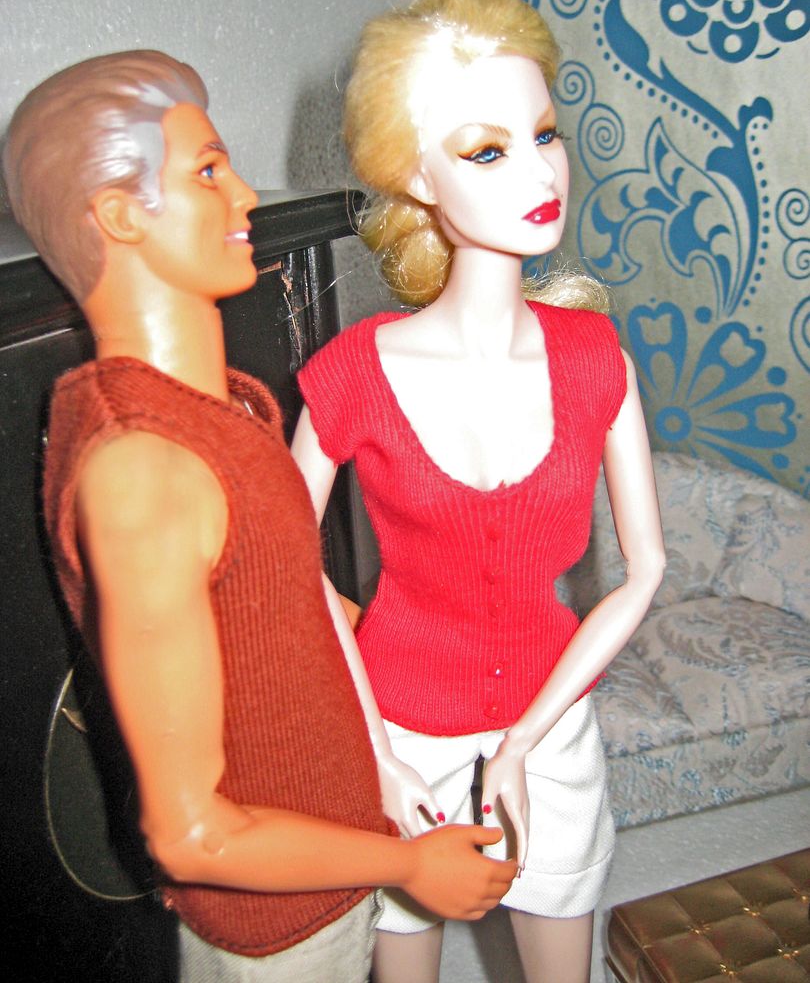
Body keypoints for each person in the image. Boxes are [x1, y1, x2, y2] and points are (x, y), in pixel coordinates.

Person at [2, 49, 516, 983]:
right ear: (119, 216)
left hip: (337, 844)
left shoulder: (226, 408)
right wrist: (408, 867)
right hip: (280, 927)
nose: (245, 196)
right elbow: (191, 832)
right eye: (207, 172)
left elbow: (277, 594)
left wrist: (412, 640)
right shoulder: (144, 471)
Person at [291, 0, 666, 983]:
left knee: (564, 953)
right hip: (400, 733)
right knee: (402, 956)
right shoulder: (353, 373)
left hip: (551, 724)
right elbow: (284, 566)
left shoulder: (596, 359)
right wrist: (376, 757)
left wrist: (522, 742)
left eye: (545, 135)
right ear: (418, 177)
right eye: (486, 150)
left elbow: (644, 570)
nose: (540, 172)